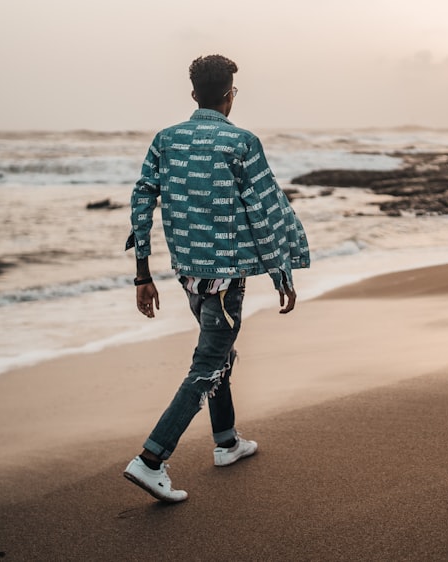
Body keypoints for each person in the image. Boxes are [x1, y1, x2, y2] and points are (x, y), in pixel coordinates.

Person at [122, 54, 310, 502]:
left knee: (217, 351)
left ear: (194, 95)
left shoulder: (165, 140)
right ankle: (151, 460)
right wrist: (282, 267)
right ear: (230, 96)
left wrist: (142, 273)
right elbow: (266, 209)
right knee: (206, 366)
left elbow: (141, 201)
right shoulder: (240, 142)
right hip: (225, 278)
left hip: (187, 274)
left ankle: (226, 442)